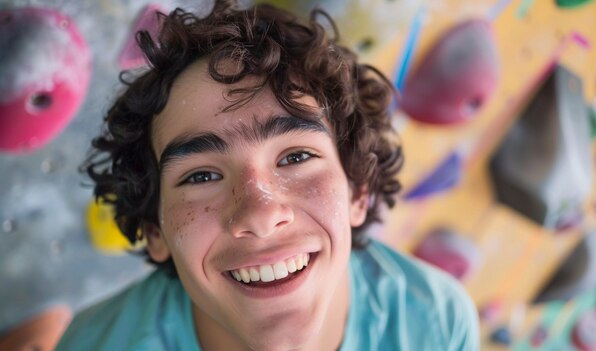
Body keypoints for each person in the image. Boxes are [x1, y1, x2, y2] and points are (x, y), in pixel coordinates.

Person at [57, 1, 480, 350]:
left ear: (358, 190)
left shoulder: (436, 325)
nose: (260, 213)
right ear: (155, 231)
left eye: (296, 157)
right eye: (201, 176)